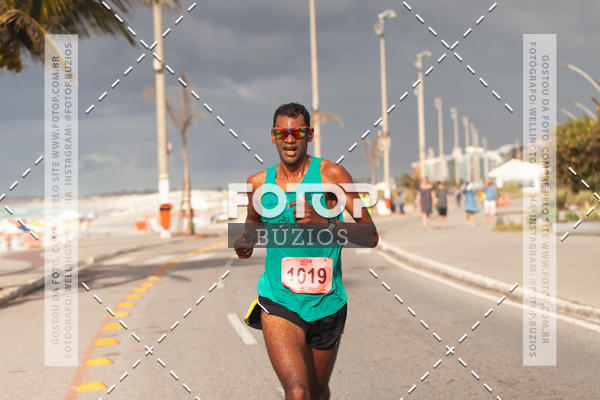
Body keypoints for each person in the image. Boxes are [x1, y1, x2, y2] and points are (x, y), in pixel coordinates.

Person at [235, 103, 378, 400]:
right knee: (298, 392)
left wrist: (325, 223)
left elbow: (370, 234)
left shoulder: (332, 176)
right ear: (273, 136)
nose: (290, 140)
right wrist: (244, 243)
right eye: (282, 133)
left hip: (327, 303)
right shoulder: (258, 183)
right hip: (279, 300)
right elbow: (251, 225)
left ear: (309, 135)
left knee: (317, 390)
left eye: (297, 133)